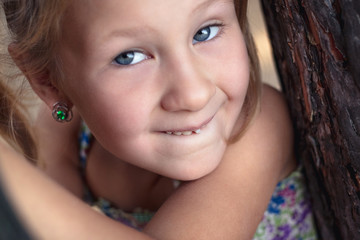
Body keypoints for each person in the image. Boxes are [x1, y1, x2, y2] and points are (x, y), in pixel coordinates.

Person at [1, 0, 318, 239]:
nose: (194, 95)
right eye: (129, 57)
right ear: (49, 82)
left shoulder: (256, 129)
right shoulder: (67, 129)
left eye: (204, 33)